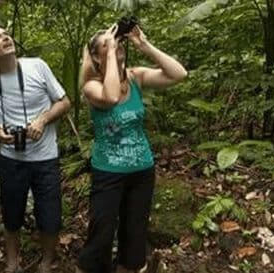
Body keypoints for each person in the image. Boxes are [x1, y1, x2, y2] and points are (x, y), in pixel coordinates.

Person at [76, 24, 188, 273]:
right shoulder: (91, 86)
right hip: (108, 172)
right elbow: (111, 97)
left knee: (134, 233)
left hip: (142, 170)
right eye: (107, 44)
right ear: (95, 56)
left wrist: (144, 45)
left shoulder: (136, 77)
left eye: (118, 43)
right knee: (102, 231)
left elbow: (179, 74)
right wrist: (110, 55)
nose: (116, 46)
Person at [0, 26, 71, 273]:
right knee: (11, 213)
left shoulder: (37, 66)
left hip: (45, 156)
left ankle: (47, 262)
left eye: (6, 33)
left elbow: (64, 102)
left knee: (49, 214)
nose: (5, 37)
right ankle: (12, 262)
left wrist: (41, 120)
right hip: (11, 159)